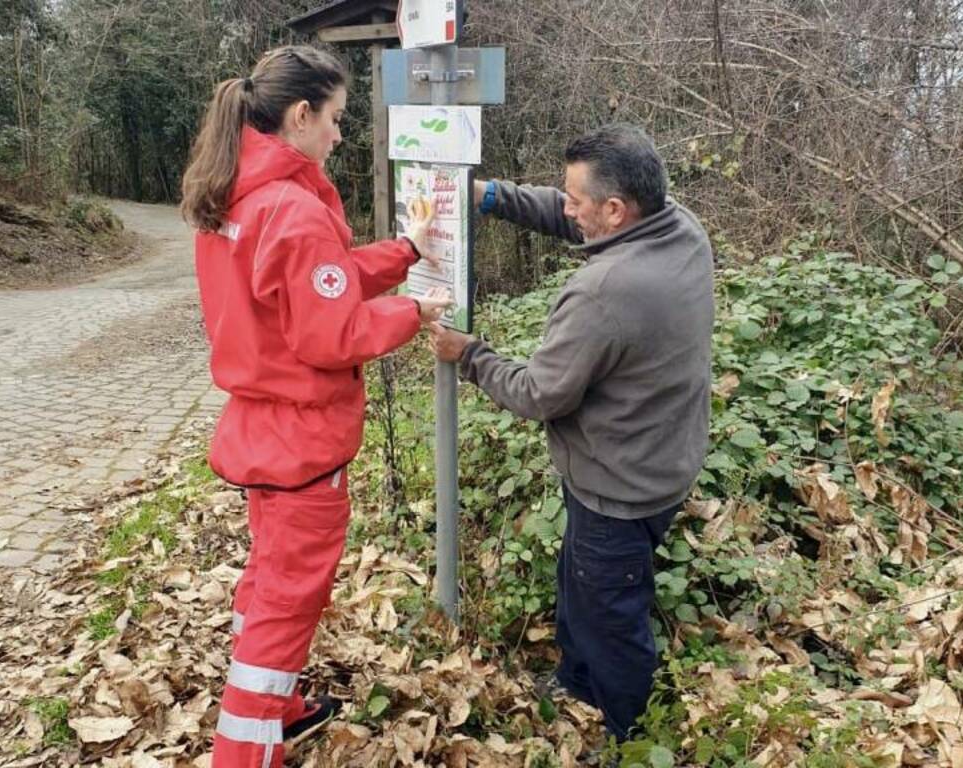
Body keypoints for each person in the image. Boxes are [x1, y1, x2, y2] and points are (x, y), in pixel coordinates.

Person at [180, 45, 451, 768]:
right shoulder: (292, 209)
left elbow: (314, 284)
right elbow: (333, 332)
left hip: (259, 429)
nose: (339, 135)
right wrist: (412, 314)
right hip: (303, 441)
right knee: (287, 602)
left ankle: (283, 706)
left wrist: (401, 251)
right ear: (300, 116)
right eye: (334, 119)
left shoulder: (235, 190)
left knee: (268, 577)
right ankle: (245, 750)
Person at [428, 123, 714, 742]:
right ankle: (576, 682)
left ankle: (625, 730)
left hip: (620, 487)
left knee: (611, 614)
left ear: (614, 209)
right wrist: (492, 196)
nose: (566, 208)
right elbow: (573, 219)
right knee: (580, 584)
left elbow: (540, 393)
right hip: (659, 460)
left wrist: (470, 355)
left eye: (575, 199)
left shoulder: (605, 292)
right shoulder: (679, 228)